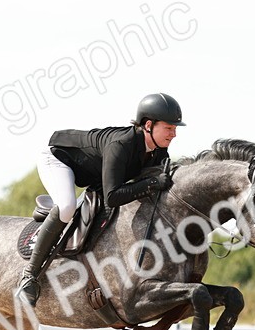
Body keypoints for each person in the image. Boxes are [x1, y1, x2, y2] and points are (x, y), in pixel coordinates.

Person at [15, 92, 184, 307]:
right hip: (58, 160)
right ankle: (29, 276)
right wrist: (151, 184)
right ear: (149, 125)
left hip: (93, 177)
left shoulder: (159, 152)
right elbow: (112, 197)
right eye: (169, 128)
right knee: (66, 207)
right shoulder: (121, 145)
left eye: (175, 128)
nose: (174, 134)